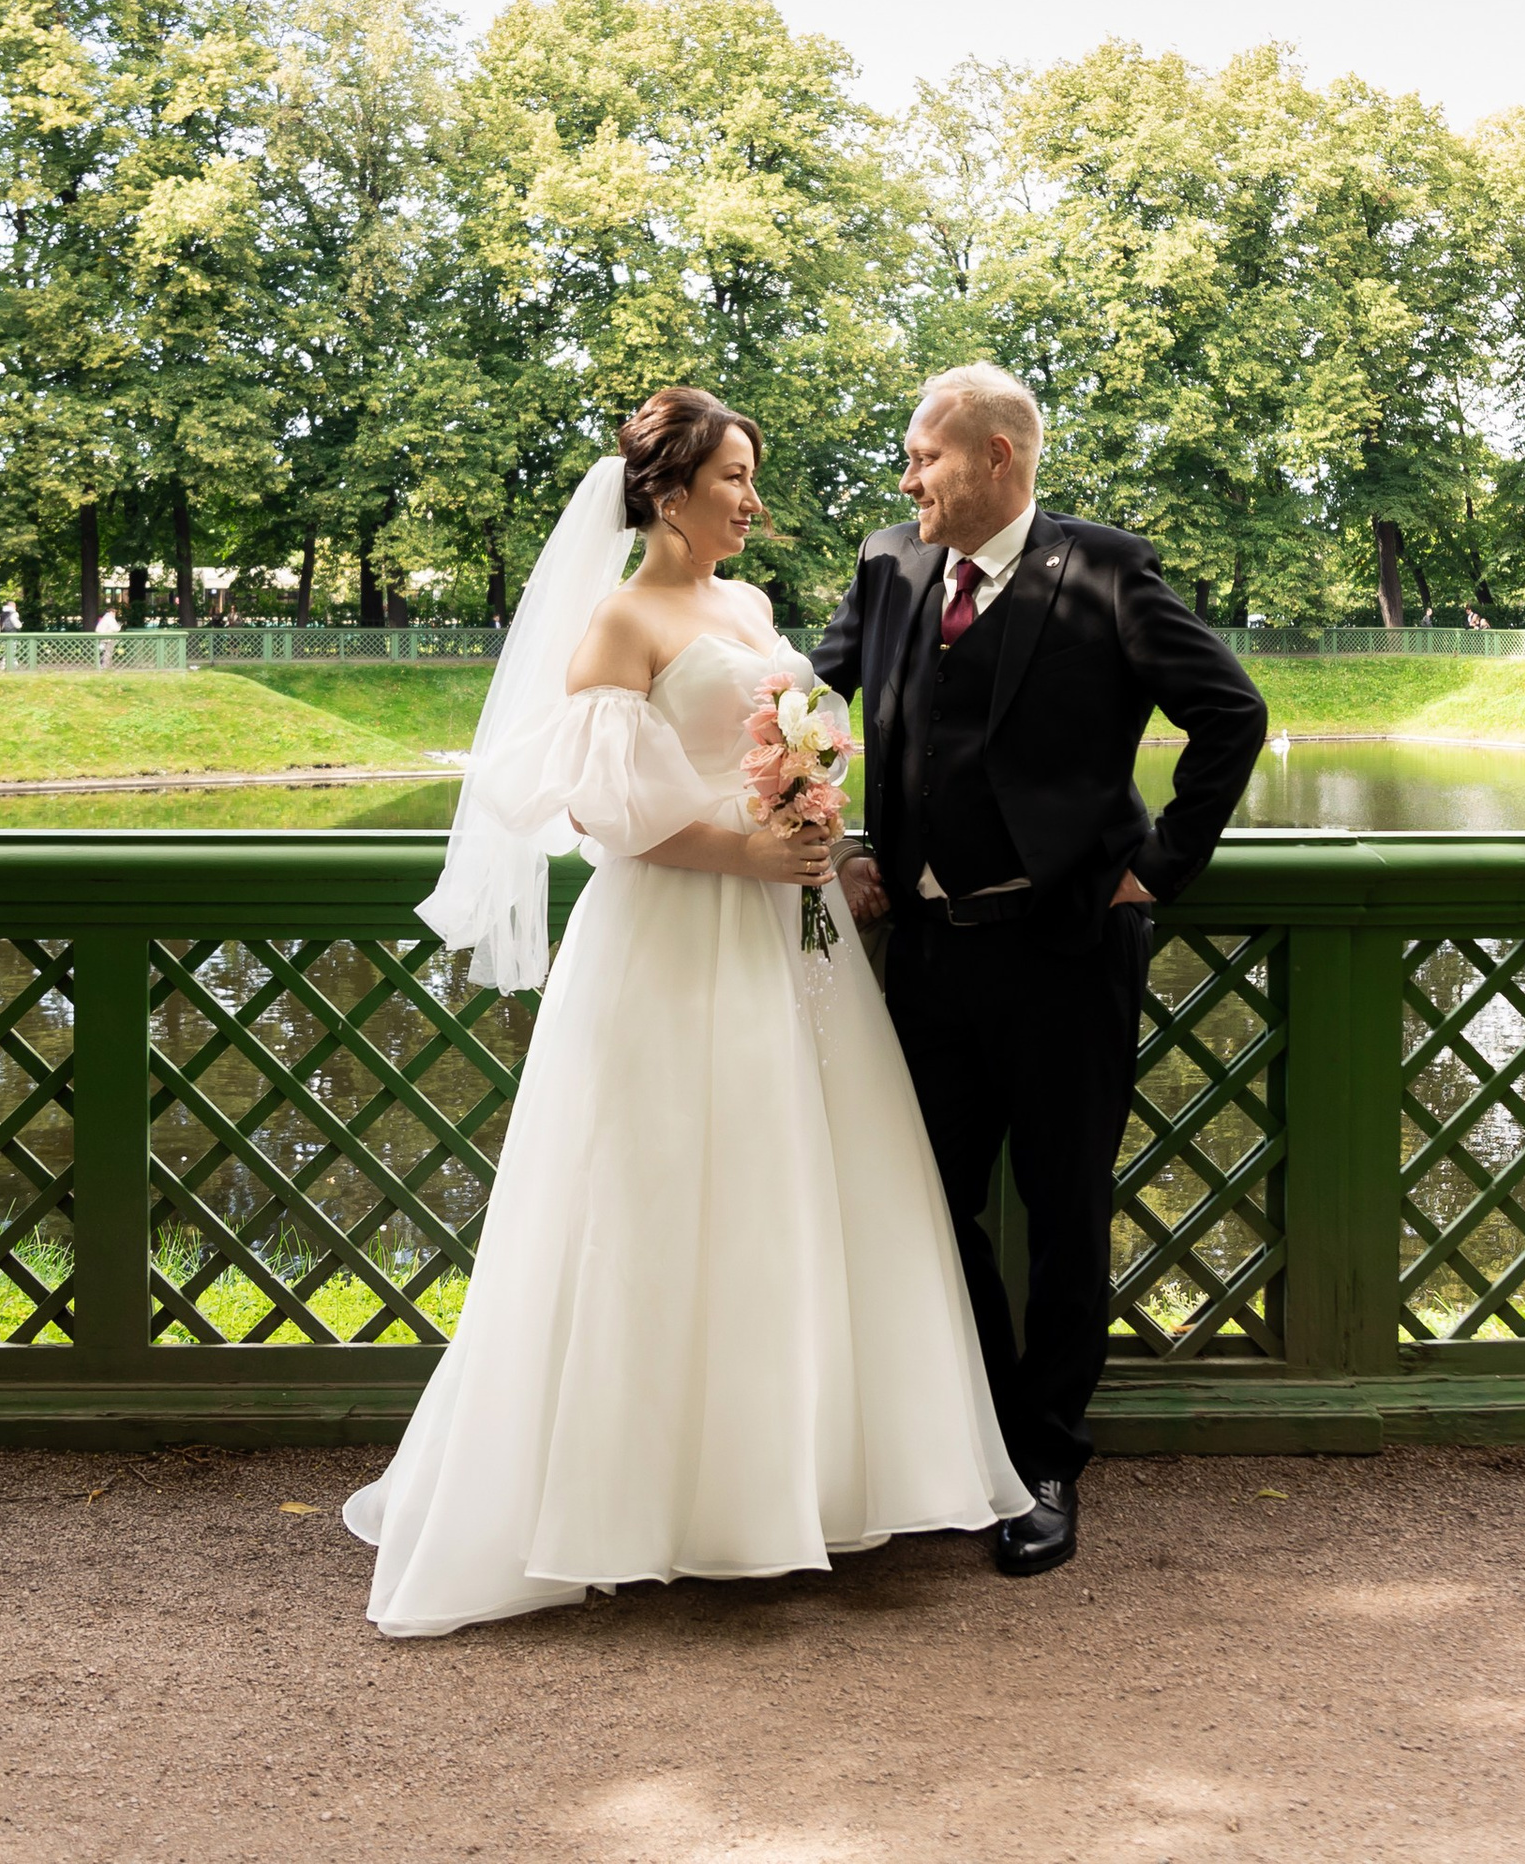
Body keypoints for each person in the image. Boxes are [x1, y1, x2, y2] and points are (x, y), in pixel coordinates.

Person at [348, 389, 1023, 1635]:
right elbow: (607, 816)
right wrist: (749, 854)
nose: (753, 501)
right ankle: (637, 1501)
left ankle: (789, 1487)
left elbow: (784, 745)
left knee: (793, 1193)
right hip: (670, 941)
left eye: (752, 478)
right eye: (734, 479)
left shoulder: (754, 610)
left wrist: (820, 833)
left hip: (789, 942)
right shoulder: (620, 620)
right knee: (656, 1197)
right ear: (668, 491)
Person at [815, 365, 1266, 1578]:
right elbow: (804, 704)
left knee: (1066, 1213)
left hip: (1068, 950)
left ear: (998, 457)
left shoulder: (1107, 567)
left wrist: (1162, 864)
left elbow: (1230, 712)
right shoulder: (889, 564)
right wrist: (841, 837)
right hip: (924, 958)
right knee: (917, 1203)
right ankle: (964, 1438)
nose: (907, 479)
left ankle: (1048, 1458)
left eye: (925, 456)